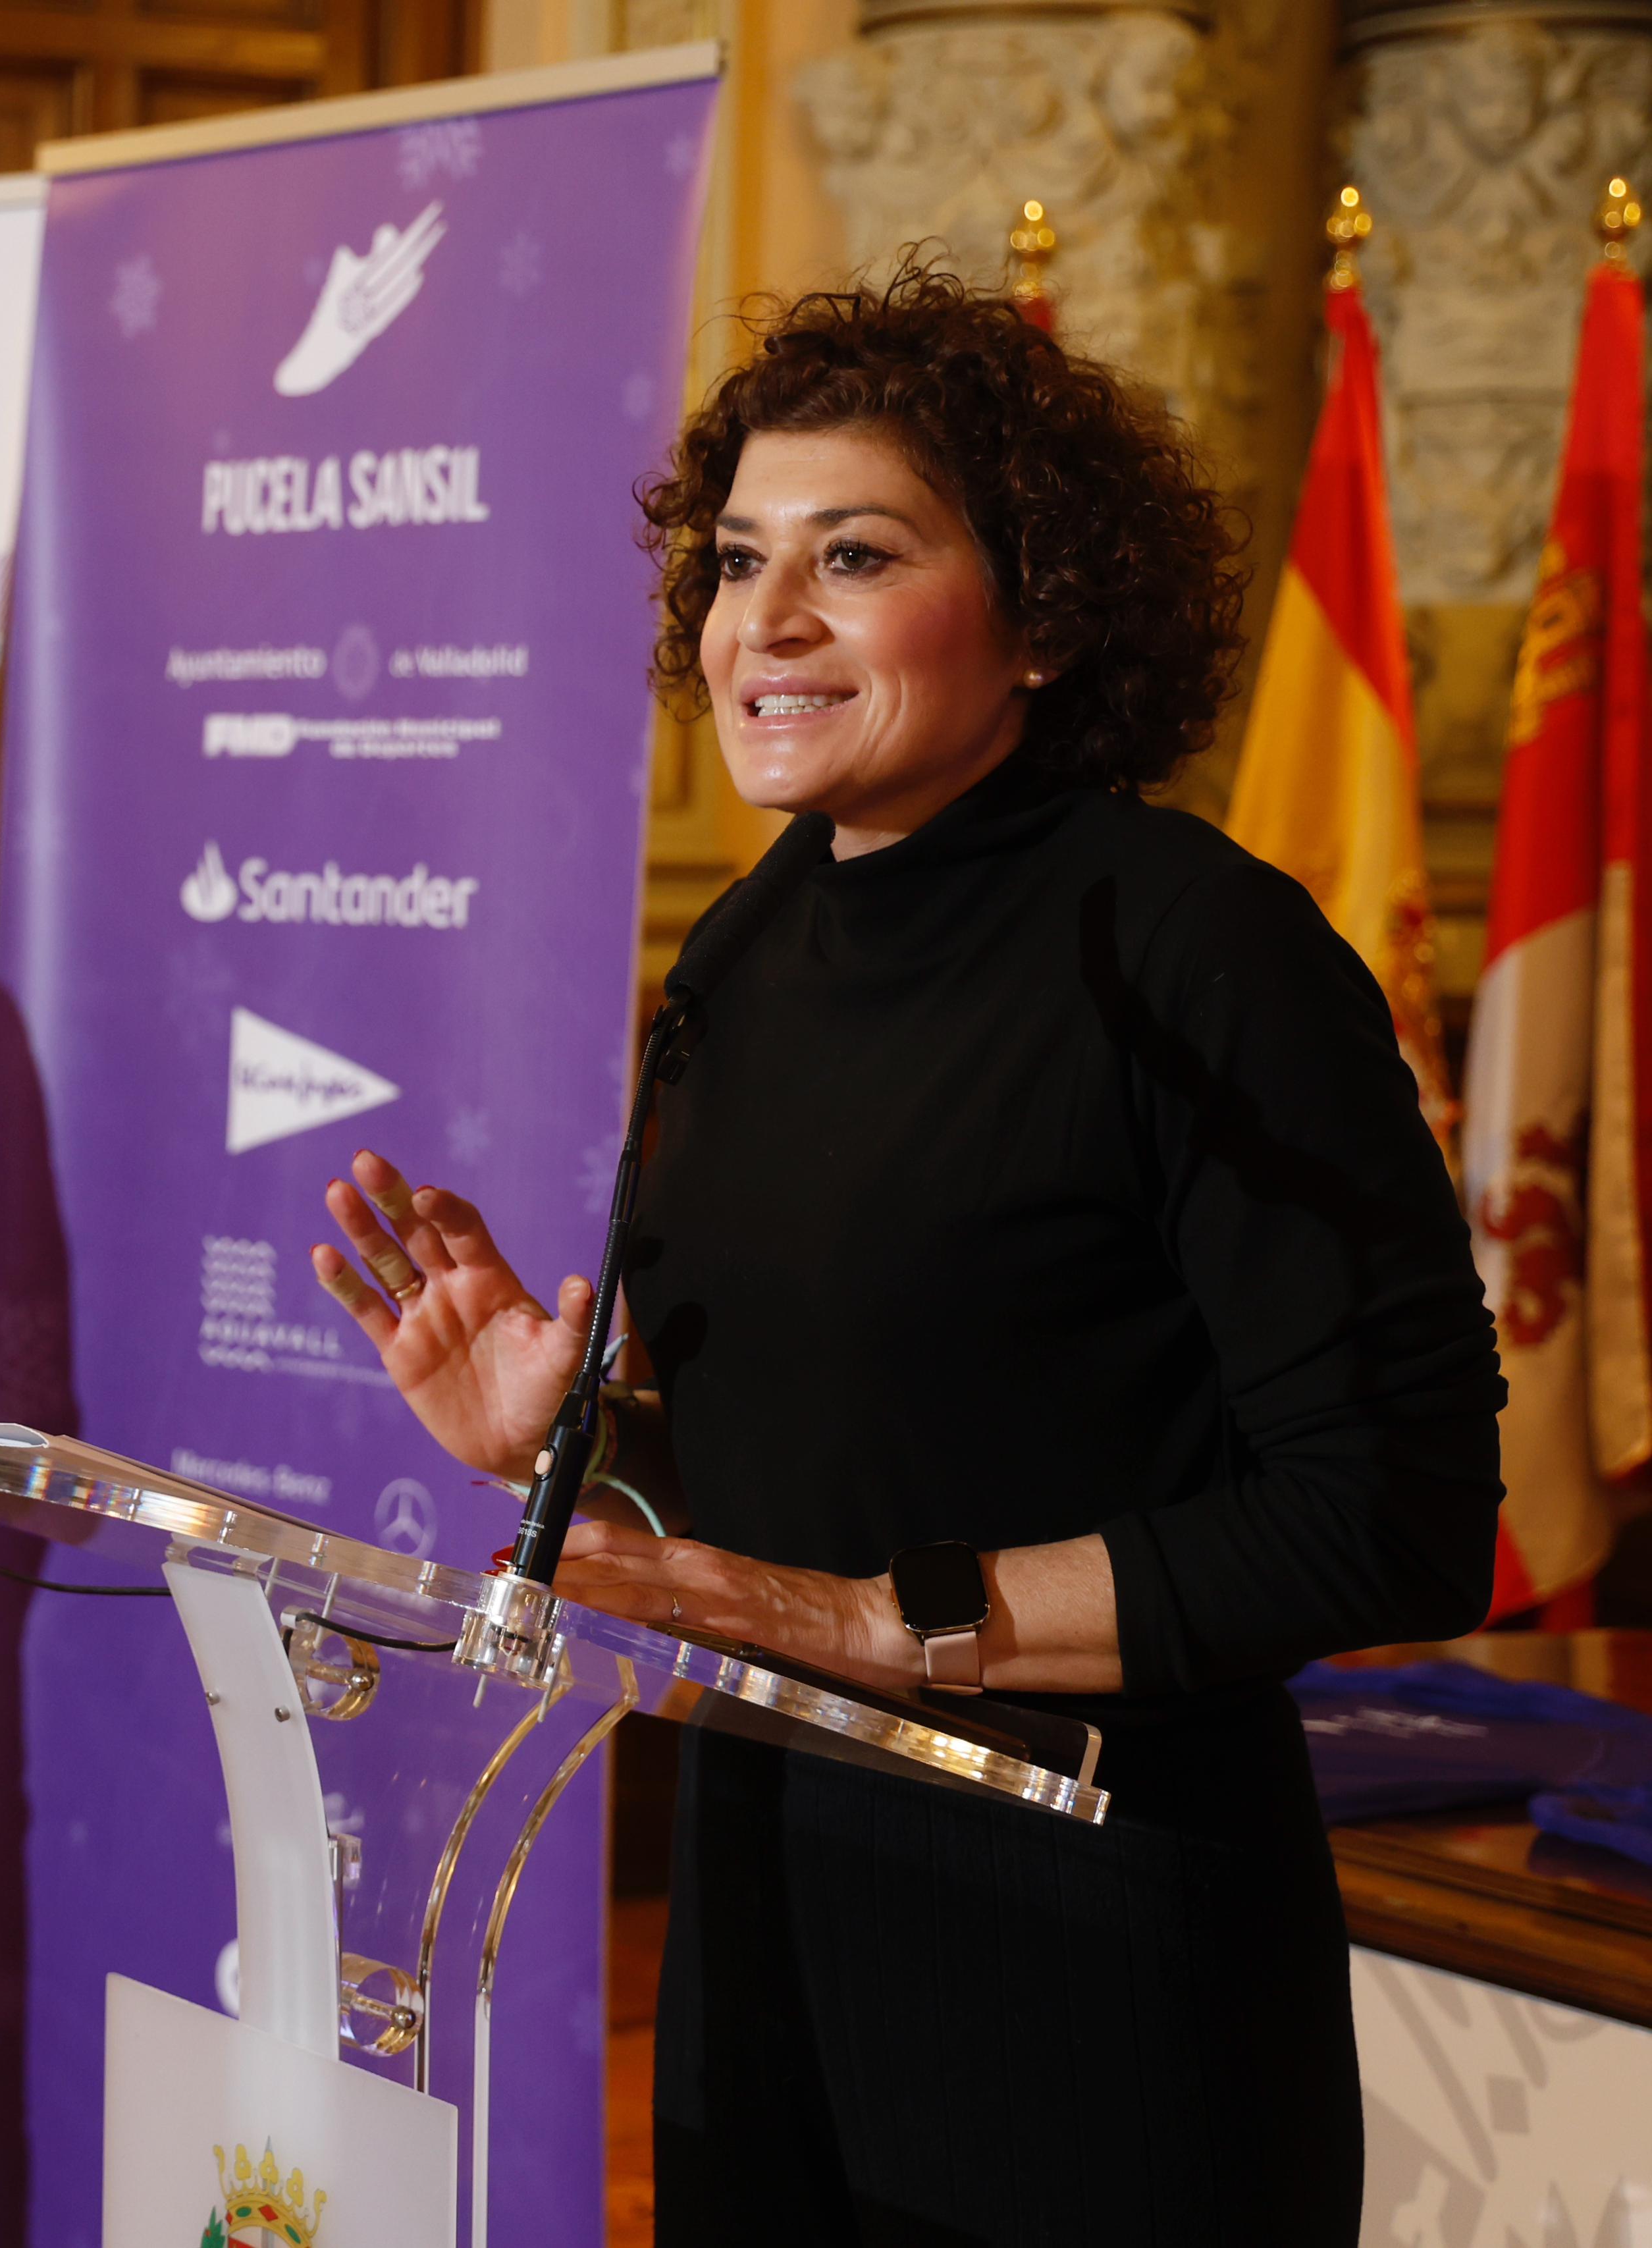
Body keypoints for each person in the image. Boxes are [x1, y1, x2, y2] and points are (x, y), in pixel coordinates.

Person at [310, 270, 1501, 2243]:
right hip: (774, 1899)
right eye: (737, 561)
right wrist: (576, 1448)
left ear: (1043, 617)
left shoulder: (1195, 950)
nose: (765, 621)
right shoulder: (744, 951)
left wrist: (884, 1628)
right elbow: (837, 1462)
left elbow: (1392, 1515)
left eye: (854, 557)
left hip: (1096, 1936)